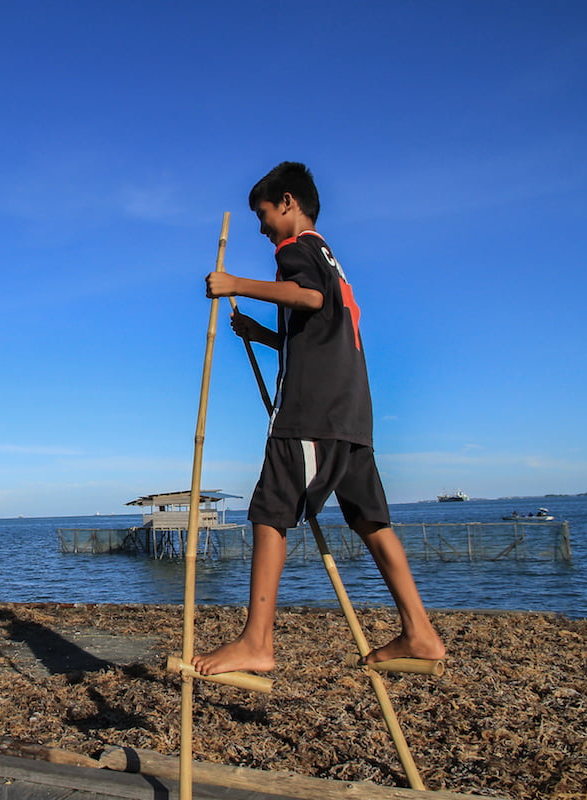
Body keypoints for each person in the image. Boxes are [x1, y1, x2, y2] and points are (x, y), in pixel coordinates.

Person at [191, 162, 446, 676]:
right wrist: (260, 334)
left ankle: (257, 641)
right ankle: (419, 630)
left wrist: (234, 282)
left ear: (287, 202)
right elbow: (317, 322)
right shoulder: (331, 258)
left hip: (312, 412)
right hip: (352, 415)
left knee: (269, 510)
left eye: (263, 216)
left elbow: (307, 296)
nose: (262, 230)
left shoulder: (297, 248)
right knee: (371, 520)